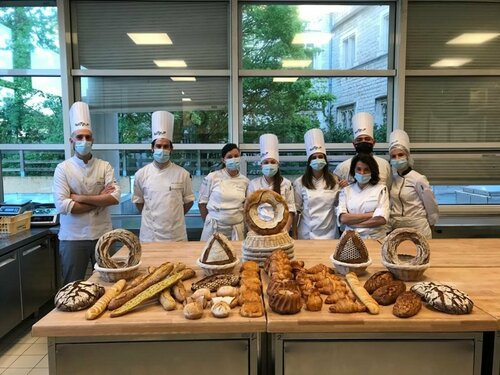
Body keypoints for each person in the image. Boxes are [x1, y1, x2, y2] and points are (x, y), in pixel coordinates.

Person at [53, 101, 121, 284]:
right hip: (72, 238)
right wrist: (100, 199)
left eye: (88, 137)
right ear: (71, 141)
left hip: (103, 235)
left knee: (109, 283)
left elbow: (114, 198)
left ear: (93, 140)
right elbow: (63, 205)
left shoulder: (104, 166)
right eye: (80, 137)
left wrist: (79, 197)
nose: (84, 141)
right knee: (72, 285)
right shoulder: (63, 169)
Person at [132, 111, 194, 242]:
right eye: (158, 146)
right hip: (150, 235)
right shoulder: (141, 174)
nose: (162, 150)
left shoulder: (183, 174)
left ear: (171, 149)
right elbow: (139, 202)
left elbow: (188, 201)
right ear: (152, 148)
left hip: (176, 235)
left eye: (166, 146)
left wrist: (173, 217)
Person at [389, 129, 439, 239]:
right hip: (396, 227)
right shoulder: (392, 179)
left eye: (400, 155)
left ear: (407, 156)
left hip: (417, 226)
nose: (397, 159)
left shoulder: (418, 179)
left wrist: (432, 223)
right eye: (393, 156)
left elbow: (430, 204)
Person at [293, 128, 340, 239]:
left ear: (325, 159)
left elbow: (340, 205)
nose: (317, 159)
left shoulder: (335, 180)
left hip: (330, 233)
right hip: (306, 234)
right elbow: (296, 211)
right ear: (309, 162)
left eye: (320, 156)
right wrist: (294, 234)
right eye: (314, 157)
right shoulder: (300, 182)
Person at [199, 143, 249, 241]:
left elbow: (246, 206)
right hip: (214, 228)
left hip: (236, 230)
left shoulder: (245, 181)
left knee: (236, 255)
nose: (233, 159)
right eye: (229, 157)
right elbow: (202, 203)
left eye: (236, 156)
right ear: (223, 160)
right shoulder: (212, 177)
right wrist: (208, 221)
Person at [247, 133, 296, 232]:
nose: (269, 165)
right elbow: (249, 210)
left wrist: (285, 230)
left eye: (272, 162)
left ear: (278, 164)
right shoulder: (253, 184)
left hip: (280, 229)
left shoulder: (286, 183)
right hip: (259, 230)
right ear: (261, 165)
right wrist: (253, 231)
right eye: (266, 162)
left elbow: (290, 210)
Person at [337, 153, 390, 240]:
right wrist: (372, 214)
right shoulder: (346, 190)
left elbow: (381, 220)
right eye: (358, 169)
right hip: (350, 239)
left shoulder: (381, 189)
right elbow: (343, 218)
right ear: (353, 170)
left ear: (372, 171)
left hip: (375, 238)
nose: (362, 173)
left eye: (366, 170)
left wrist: (353, 224)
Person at [334, 112, 392, 189]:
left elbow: (389, 188)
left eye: (367, 139)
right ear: (354, 144)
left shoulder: (385, 165)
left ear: (373, 143)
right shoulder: (342, 167)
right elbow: (336, 191)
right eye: (359, 139)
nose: (363, 141)